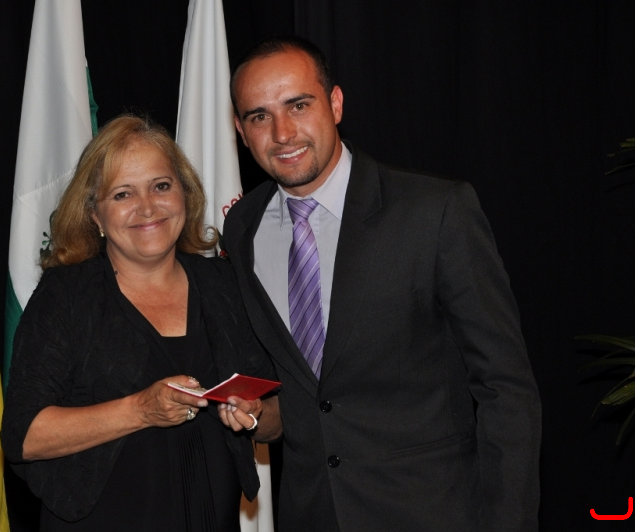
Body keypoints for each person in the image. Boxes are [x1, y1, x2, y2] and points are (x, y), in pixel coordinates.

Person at [222, 35, 541, 531]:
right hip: (312, 515)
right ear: (241, 132)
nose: (282, 133)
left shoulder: (434, 212)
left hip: (434, 514)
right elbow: (304, 394)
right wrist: (257, 414)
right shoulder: (243, 227)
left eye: (298, 105)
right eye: (260, 116)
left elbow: (506, 389)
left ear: (335, 103)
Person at [1, 114, 280, 531]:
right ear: (95, 215)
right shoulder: (66, 295)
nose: (147, 207)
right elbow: (22, 436)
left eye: (161, 186)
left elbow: (277, 419)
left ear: (185, 194)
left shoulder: (224, 283)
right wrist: (140, 410)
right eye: (123, 194)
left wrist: (256, 413)